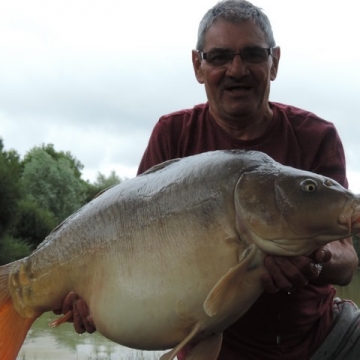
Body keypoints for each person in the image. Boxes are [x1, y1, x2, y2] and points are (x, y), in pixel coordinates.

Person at [57, 1, 360, 359]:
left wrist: (314, 260)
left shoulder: (315, 135)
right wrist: (98, 301)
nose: (236, 69)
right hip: (211, 346)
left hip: (319, 339)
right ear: (198, 66)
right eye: (218, 57)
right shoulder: (172, 135)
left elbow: (346, 260)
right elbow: (131, 249)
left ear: (274, 62)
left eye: (252, 54)